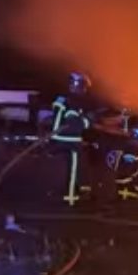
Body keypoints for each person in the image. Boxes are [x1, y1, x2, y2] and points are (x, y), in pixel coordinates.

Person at [50, 71, 95, 206]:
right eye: (83, 87)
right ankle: (70, 198)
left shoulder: (64, 100)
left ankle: (77, 191)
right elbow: (75, 124)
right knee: (74, 168)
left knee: (76, 167)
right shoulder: (72, 102)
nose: (84, 90)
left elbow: (59, 121)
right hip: (70, 141)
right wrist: (88, 120)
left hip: (65, 139)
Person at [110, 122, 138, 201]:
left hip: (120, 178)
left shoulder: (129, 144)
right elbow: (128, 168)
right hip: (124, 181)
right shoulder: (134, 147)